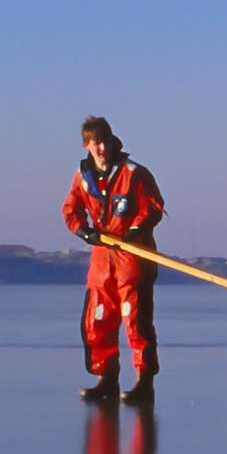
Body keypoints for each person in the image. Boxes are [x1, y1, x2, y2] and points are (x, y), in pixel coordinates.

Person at [62, 116, 166, 404]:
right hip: (101, 260)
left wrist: (134, 232)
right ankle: (106, 378)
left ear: (112, 142)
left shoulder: (133, 173)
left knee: (136, 322)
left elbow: (153, 207)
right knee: (98, 321)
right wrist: (85, 232)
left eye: (105, 142)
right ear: (87, 145)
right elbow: (71, 211)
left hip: (133, 258)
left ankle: (144, 382)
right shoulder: (83, 176)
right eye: (95, 144)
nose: (101, 149)